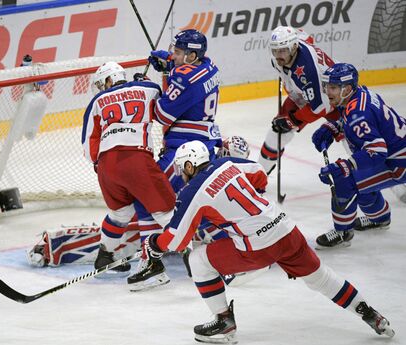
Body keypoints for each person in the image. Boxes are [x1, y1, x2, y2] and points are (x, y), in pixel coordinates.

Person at [140, 140, 395, 343]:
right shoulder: (228, 163)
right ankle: (370, 313)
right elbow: (259, 173)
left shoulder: (192, 192)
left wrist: (153, 245)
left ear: (188, 166)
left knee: (197, 260)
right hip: (286, 228)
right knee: (321, 277)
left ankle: (223, 321)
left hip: (258, 247)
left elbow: (174, 240)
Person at [125, 28, 224, 290]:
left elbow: (162, 115)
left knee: (148, 198)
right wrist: (170, 65)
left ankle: (152, 266)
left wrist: (146, 87)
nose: (174, 55)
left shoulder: (184, 76)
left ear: (191, 55)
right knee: (191, 201)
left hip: (185, 149)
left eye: (178, 52)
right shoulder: (209, 65)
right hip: (203, 144)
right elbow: (185, 80)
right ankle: (233, 249)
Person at [81, 61, 175, 276]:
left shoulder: (96, 101)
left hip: (106, 165)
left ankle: (105, 255)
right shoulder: (148, 89)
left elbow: (88, 145)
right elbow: (165, 101)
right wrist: (146, 81)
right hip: (137, 158)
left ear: (108, 80)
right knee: (166, 212)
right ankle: (190, 254)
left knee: (120, 213)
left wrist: (101, 165)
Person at [312, 63, 406, 248]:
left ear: (346, 88)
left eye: (332, 87)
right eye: (326, 86)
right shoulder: (360, 93)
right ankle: (379, 219)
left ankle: (343, 232)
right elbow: (358, 120)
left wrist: (346, 166)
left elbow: (377, 151)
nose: (327, 91)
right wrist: (336, 126)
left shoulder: (358, 114)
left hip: (399, 162)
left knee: (345, 180)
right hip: (397, 152)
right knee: (361, 179)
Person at [258, 26, 339, 175]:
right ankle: (258, 177)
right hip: (305, 94)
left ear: (294, 47)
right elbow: (304, 35)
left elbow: (321, 107)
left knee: (355, 141)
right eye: (275, 51)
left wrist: (293, 119)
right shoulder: (292, 46)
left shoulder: (307, 69)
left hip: (335, 101)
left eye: (282, 50)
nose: (278, 55)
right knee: (278, 131)